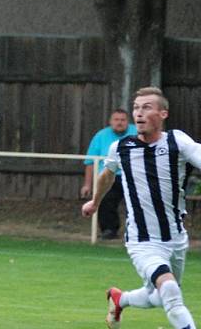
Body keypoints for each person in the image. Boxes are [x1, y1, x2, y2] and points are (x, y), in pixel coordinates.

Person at [81, 87, 201, 329]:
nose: (139, 113)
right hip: (142, 239)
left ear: (163, 113)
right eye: (136, 108)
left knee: (159, 295)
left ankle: (120, 299)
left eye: (146, 107)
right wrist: (95, 201)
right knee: (169, 290)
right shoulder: (121, 148)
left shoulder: (177, 141)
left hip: (176, 238)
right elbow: (107, 175)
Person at [80, 108, 137, 239]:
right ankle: (109, 230)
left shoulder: (137, 132)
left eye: (123, 120)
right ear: (110, 121)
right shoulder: (101, 135)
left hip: (133, 176)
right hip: (109, 176)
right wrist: (87, 185)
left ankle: (134, 232)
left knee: (136, 204)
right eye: (116, 120)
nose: (119, 123)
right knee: (105, 201)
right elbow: (90, 161)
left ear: (127, 121)